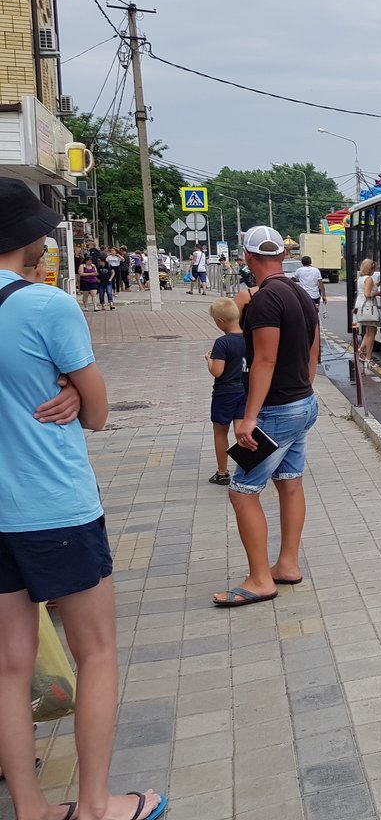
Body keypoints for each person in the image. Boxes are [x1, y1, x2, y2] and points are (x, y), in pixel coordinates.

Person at [0, 177, 167, 820]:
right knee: (95, 653)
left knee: (11, 669)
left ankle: (31, 810)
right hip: (54, 506)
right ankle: (98, 805)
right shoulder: (45, 305)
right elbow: (97, 413)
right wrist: (72, 393)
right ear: (23, 239)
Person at [215, 225, 319, 607]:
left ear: (247, 257)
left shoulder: (263, 301)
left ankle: (260, 579)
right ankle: (287, 564)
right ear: (281, 255)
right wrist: (305, 389)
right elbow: (314, 347)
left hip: (274, 412)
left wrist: (249, 417)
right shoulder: (299, 292)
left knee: (241, 491)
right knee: (289, 482)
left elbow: (265, 358)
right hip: (302, 404)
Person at [204, 298, 246, 487]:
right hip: (245, 390)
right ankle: (247, 468)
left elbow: (217, 371)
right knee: (242, 432)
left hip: (224, 393)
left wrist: (209, 360)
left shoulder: (222, 343)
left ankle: (223, 472)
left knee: (221, 432)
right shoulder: (249, 339)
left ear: (220, 322)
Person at [353, 258, 379, 370]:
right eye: (374, 268)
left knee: (370, 331)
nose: (374, 270)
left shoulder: (361, 278)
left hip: (360, 306)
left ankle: (361, 350)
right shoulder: (368, 278)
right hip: (368, 307)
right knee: (371, 333)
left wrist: (378, 283)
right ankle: (368, 358)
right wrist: (379, 293)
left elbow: (367, 287)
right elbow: (368, 294)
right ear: (370, 268)